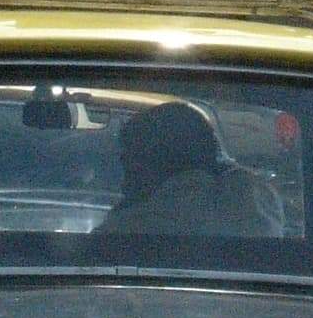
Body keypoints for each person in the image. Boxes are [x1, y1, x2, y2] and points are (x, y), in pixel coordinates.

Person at [95, 101, 283, 238]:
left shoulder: (133, 227)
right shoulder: (255, 201)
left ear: (157, 156)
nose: (123, 160)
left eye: (132, 151)